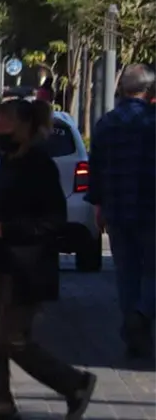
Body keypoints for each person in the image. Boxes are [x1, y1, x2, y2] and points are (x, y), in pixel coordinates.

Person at [0, 98, 96, 420]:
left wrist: (9, 229)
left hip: (25, 267)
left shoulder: (39, 165)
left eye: (4, 124)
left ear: (23, 126)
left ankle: (75, 384)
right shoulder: (9, 160)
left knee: (12, 339)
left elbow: (54, 220)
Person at [85, 63, 156, 358]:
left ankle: (133, 332)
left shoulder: (106, 124)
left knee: (126, 273)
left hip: (116, 211)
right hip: (150, 211)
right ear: (149, 90)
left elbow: (96, 170)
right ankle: (141, 314)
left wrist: (99, 207)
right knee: (152, 271)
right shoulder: (152, 122)